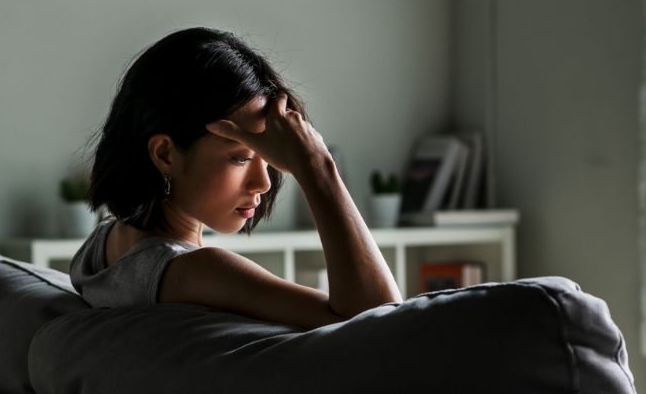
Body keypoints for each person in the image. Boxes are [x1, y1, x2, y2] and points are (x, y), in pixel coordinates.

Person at [70, 27, 402, 329]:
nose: (264, 182)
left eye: (268, 157)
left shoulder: (100, 247)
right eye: (241, 156)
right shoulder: (196, 270)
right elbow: (383, 322)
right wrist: (317, 167)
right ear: (165, 154)